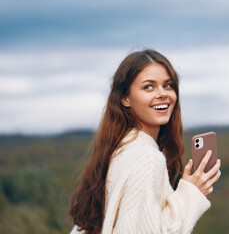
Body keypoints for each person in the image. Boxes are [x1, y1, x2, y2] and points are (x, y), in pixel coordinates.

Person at [69, 49, 221, 234]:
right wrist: (191, 194)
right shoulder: (146, 158)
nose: (162, 93)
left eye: (168, 85)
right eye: (148, 87)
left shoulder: (120, 149)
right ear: (125, 98)